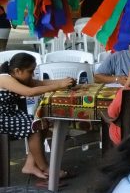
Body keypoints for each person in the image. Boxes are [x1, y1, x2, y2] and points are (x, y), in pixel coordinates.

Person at [0, 52, 76, 181]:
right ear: (17, 70)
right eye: (30, 71)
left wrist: (64, 82)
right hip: (2, 118)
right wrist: (58, 85)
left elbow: (40, 83)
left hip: (9, 115)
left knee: (42, 121)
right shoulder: (4, 78)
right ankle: (45, 168)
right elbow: (29, 92)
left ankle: (30, 165)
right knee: (34, 125)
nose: (32, 75)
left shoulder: (17, 77)